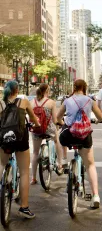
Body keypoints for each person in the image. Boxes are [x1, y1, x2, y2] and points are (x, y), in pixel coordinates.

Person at [57, 79, 102, 209]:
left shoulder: (67, 100)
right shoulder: (90, 100)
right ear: (85, 88)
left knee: (61, 137)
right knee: (90, 165)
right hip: (84, 135)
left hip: (69, 135)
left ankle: (65, 159)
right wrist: (96, 120)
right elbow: (100, 116)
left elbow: (57, 117)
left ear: (74, 87)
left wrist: (62, 123)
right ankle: (96, 196)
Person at [0, 81, 40, 219]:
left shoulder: (0, 103)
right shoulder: (23, 102)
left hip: (4, 139)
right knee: (24, 172)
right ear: (17, 90)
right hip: (20, 139)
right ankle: (24, 207)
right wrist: (37, 123)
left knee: (1, 164)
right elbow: (34, 119)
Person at [30, 83, 63, 185]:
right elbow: (54, 119)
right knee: (57, 140)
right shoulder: (51, 102)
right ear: (47, 91)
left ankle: (34, 178)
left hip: (36, 129)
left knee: (35, 153)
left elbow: (30, 118)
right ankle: (60, 164)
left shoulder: (32, 102)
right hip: (49, 130)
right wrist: (60, 123)